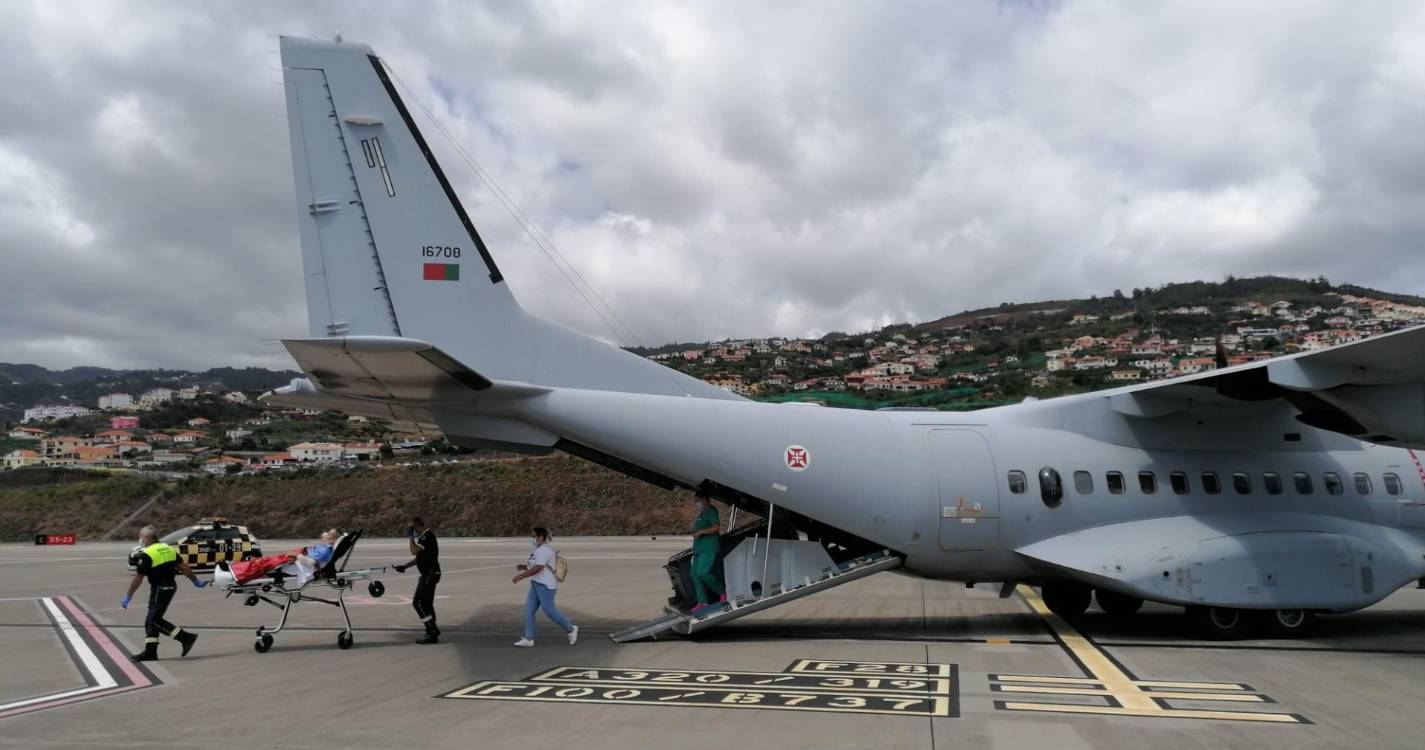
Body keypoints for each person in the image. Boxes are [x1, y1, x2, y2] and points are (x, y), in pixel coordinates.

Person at [122, 525, 205, 661]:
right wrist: (195, 581)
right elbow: (183, 567)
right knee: (152, 619)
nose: (140, 540)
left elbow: (139, 577)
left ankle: (186, 637)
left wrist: (128, 596)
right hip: (170, 586)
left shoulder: (147, 554)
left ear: (147, 538)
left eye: (141, 537)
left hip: (160, 588)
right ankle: (151, 652)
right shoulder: (168, 549)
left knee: (154, 620)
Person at [511, 526, 576, 648]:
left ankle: (571, 629)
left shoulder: (545, 550)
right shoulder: (537, 549)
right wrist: (524, 567)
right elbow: (533, 565)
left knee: (549, 611)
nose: (532, 538)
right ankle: (529, 638)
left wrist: (521, 576)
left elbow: (539, 567)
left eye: (533, 536)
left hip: (545, 585)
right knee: (529, 611)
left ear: (540, 537)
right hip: (536, 584)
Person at [393, 516, 441, 644]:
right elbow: (419, 558)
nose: (412, 531)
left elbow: (414, 551)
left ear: (417, 526)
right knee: (427, 603)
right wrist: (405, 566)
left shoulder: (426, 536)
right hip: (430, 574)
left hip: (429, 574)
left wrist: (410, 538)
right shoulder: (424, 537)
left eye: (412, 528)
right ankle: (432, 632)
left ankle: (432, 630)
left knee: (418, 602)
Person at [689, 490, 726, 612]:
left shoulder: (711, 511)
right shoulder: (702, 513)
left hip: (708, 549)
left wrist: (701, 532)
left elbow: (716, 527)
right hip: (699, 550)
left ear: (705, 499)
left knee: (703, 572)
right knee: (695, 575)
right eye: (696, 501)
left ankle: (722, 592)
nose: (697, 503)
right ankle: (702, 602)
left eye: (698, 500)